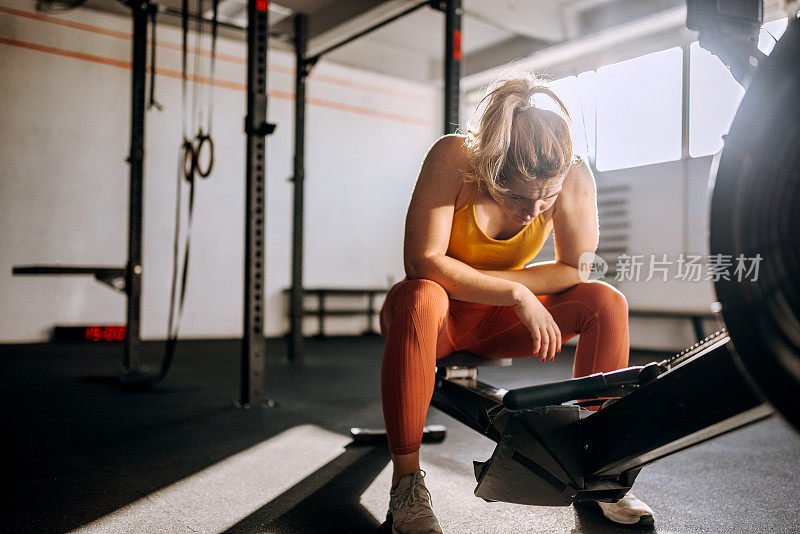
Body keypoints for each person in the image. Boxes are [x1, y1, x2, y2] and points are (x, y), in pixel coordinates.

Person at [379, 72, 655, 533]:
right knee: (418, 296)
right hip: (437, 321)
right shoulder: (455, 157)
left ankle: (601, 476)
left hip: (499, 325)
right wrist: (516, 290)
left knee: (605, 302)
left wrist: (516, 294)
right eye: (518, 198)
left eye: (546, 199)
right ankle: (406, 483)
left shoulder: (574, 174)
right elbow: (422, 261)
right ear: (492, 168)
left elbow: (576, 268)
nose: (534, 211)